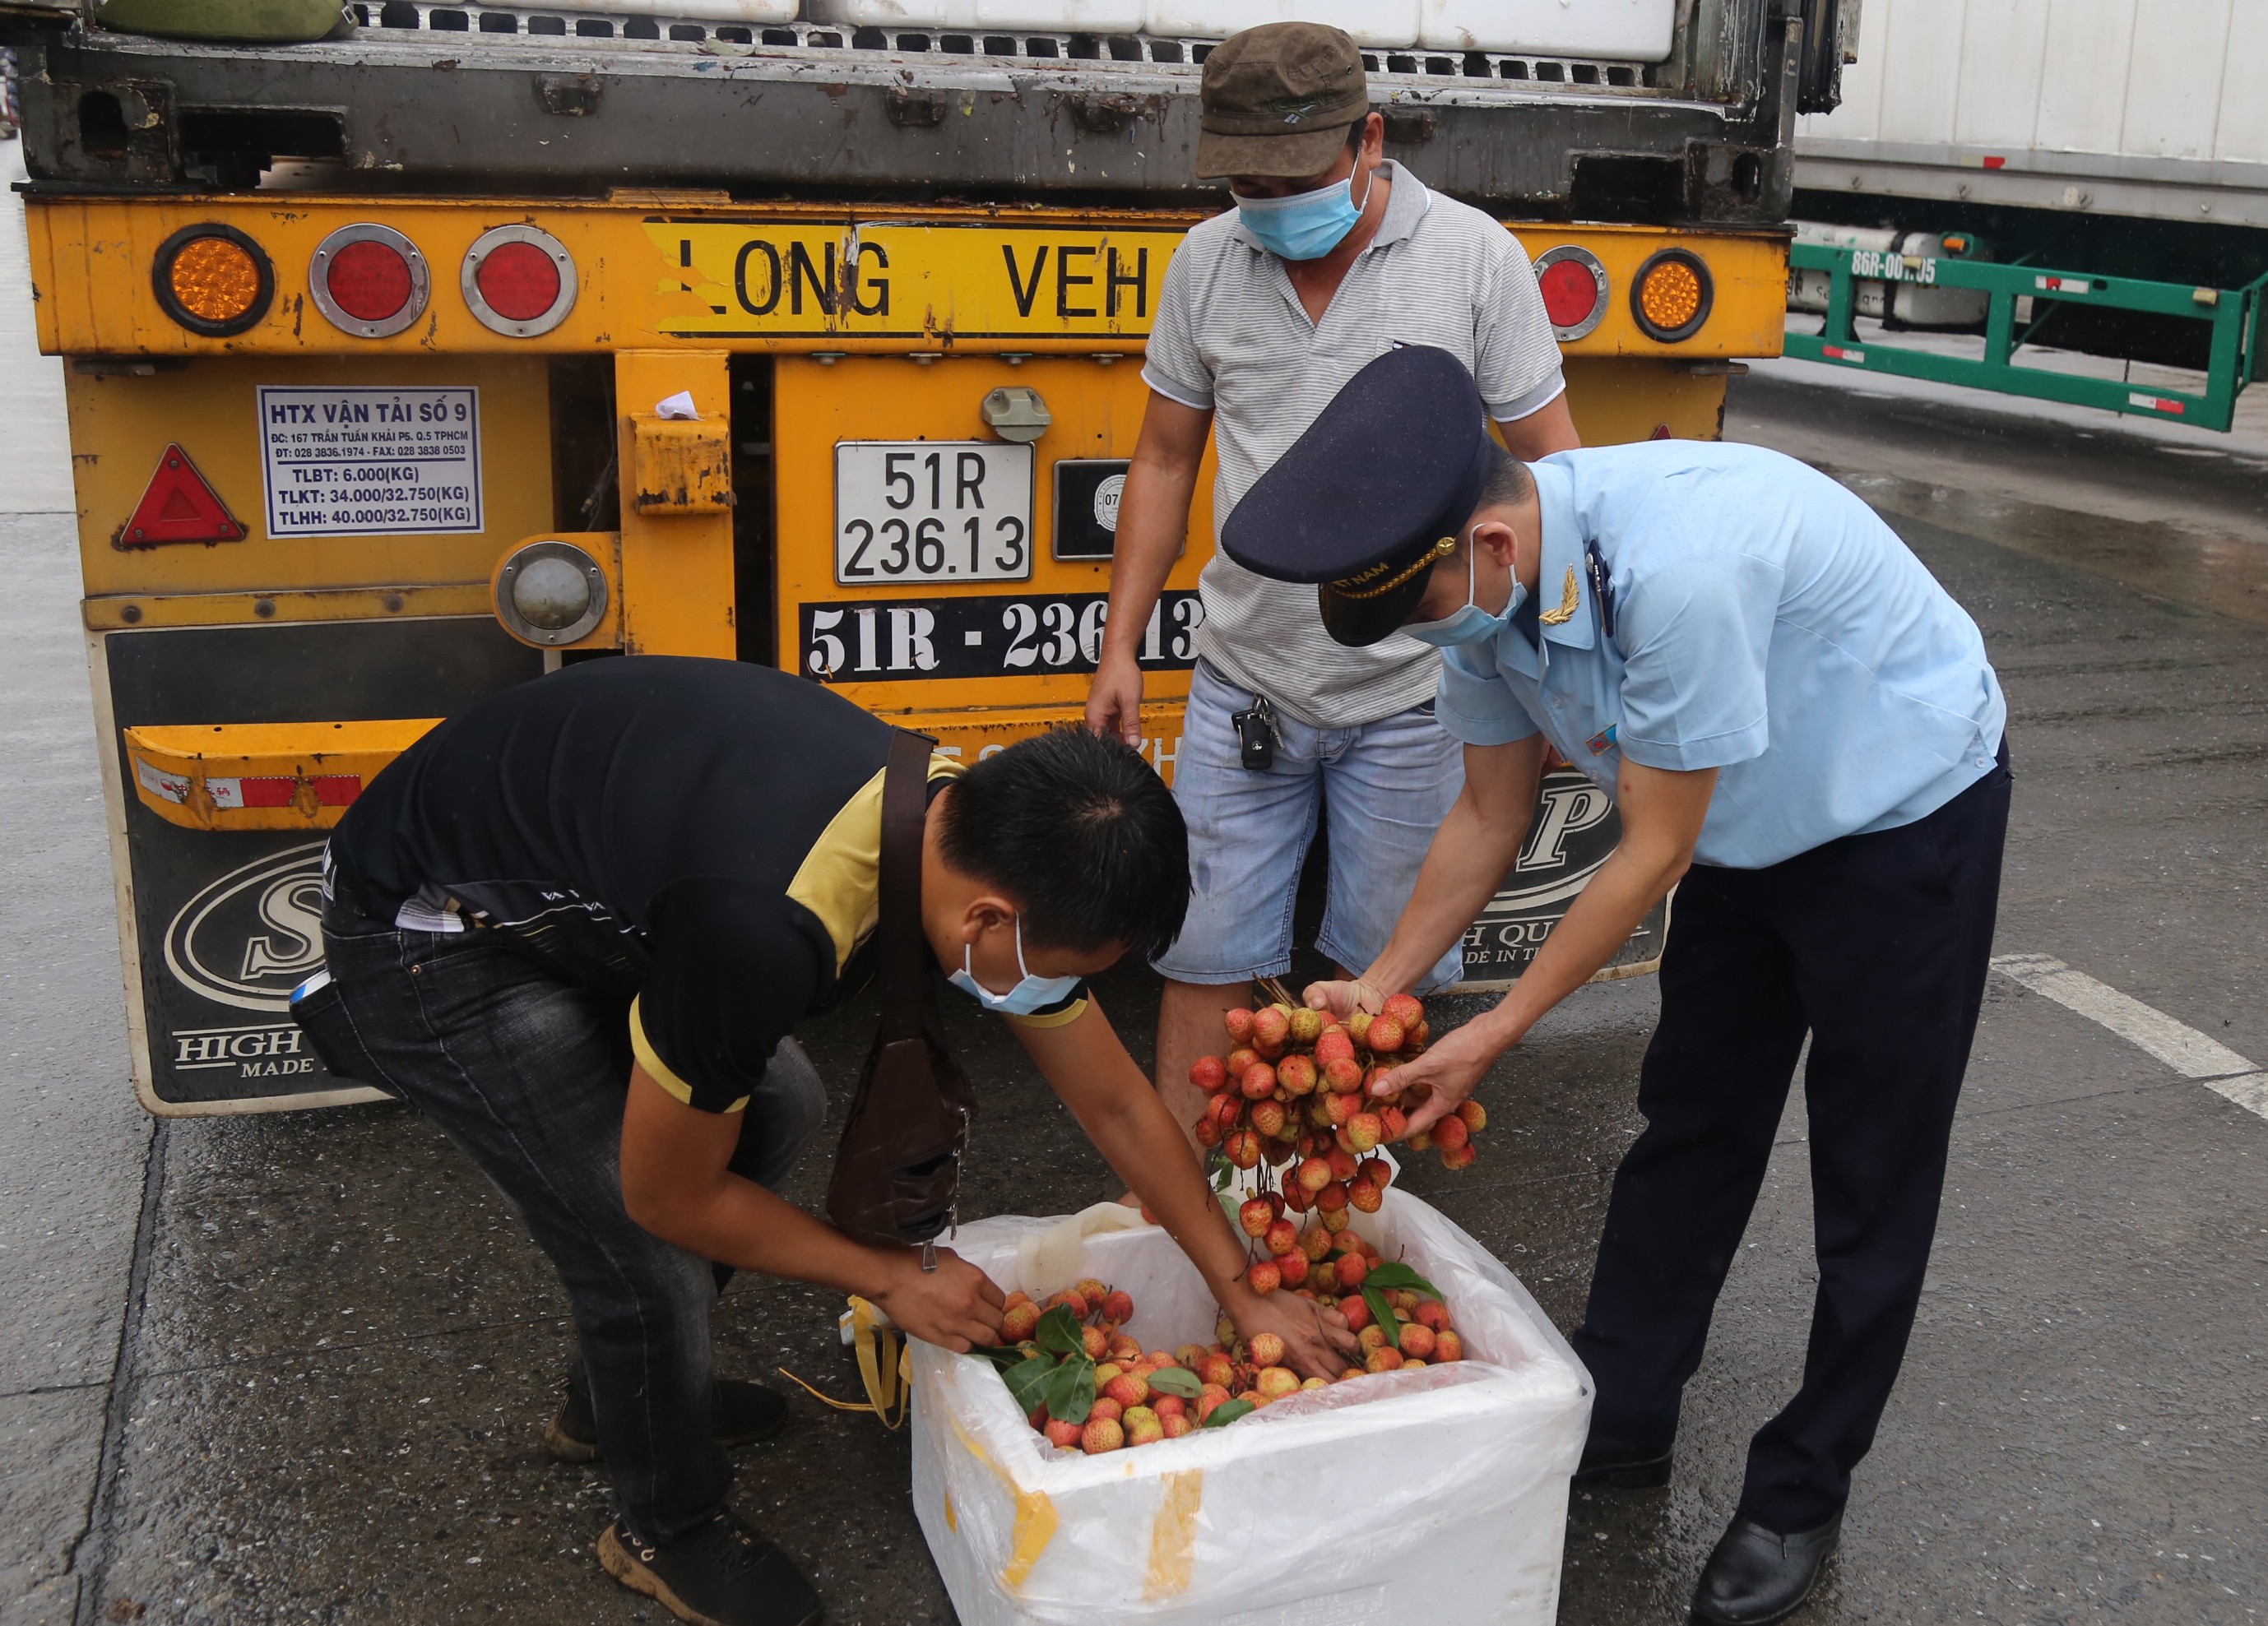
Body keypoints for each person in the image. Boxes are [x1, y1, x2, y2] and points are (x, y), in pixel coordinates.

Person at [309, 656, 1356, 1626]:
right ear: (990, 921)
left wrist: (1238, 1278)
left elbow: (1119, 1105)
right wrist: (888, 1277)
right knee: (643, 1255)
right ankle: (663, 1525)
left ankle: (617, 1399)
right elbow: (664, 1196)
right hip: (432, 934)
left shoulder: (950, 816)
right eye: (1062, 966)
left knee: (780, 1106)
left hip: (588, 889)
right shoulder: (762, 925)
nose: (1057, 993)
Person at [1221, 345, 2010, 1626]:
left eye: (1425, 608)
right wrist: (1375, 985)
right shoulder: (1484, 593)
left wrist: (1495, 1032)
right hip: (1742, 831)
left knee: (1872, 1171)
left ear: (1486, 536)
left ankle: (1803, 1484)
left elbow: (1650, 848)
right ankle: (1623, 1413)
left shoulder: (1678, 567)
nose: (1433, 633)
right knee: (1689, 1125)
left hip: (1899, 816)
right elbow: (1489, 814)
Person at [1085, 21, 1579, 1159]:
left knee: (1377, 990)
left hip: (1419, 697)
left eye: (1296, 179)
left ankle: (1332, 1236)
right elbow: (1163, 459)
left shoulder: (1473, 258)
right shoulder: (1208, 260)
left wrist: (1548, 665)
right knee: (1202, 961)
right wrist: (1121, 647)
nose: (1269, 204)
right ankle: (1197, 1236)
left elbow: (1555, 470)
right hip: (1243, 685)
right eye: (1245, 181)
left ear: (1368, 138)